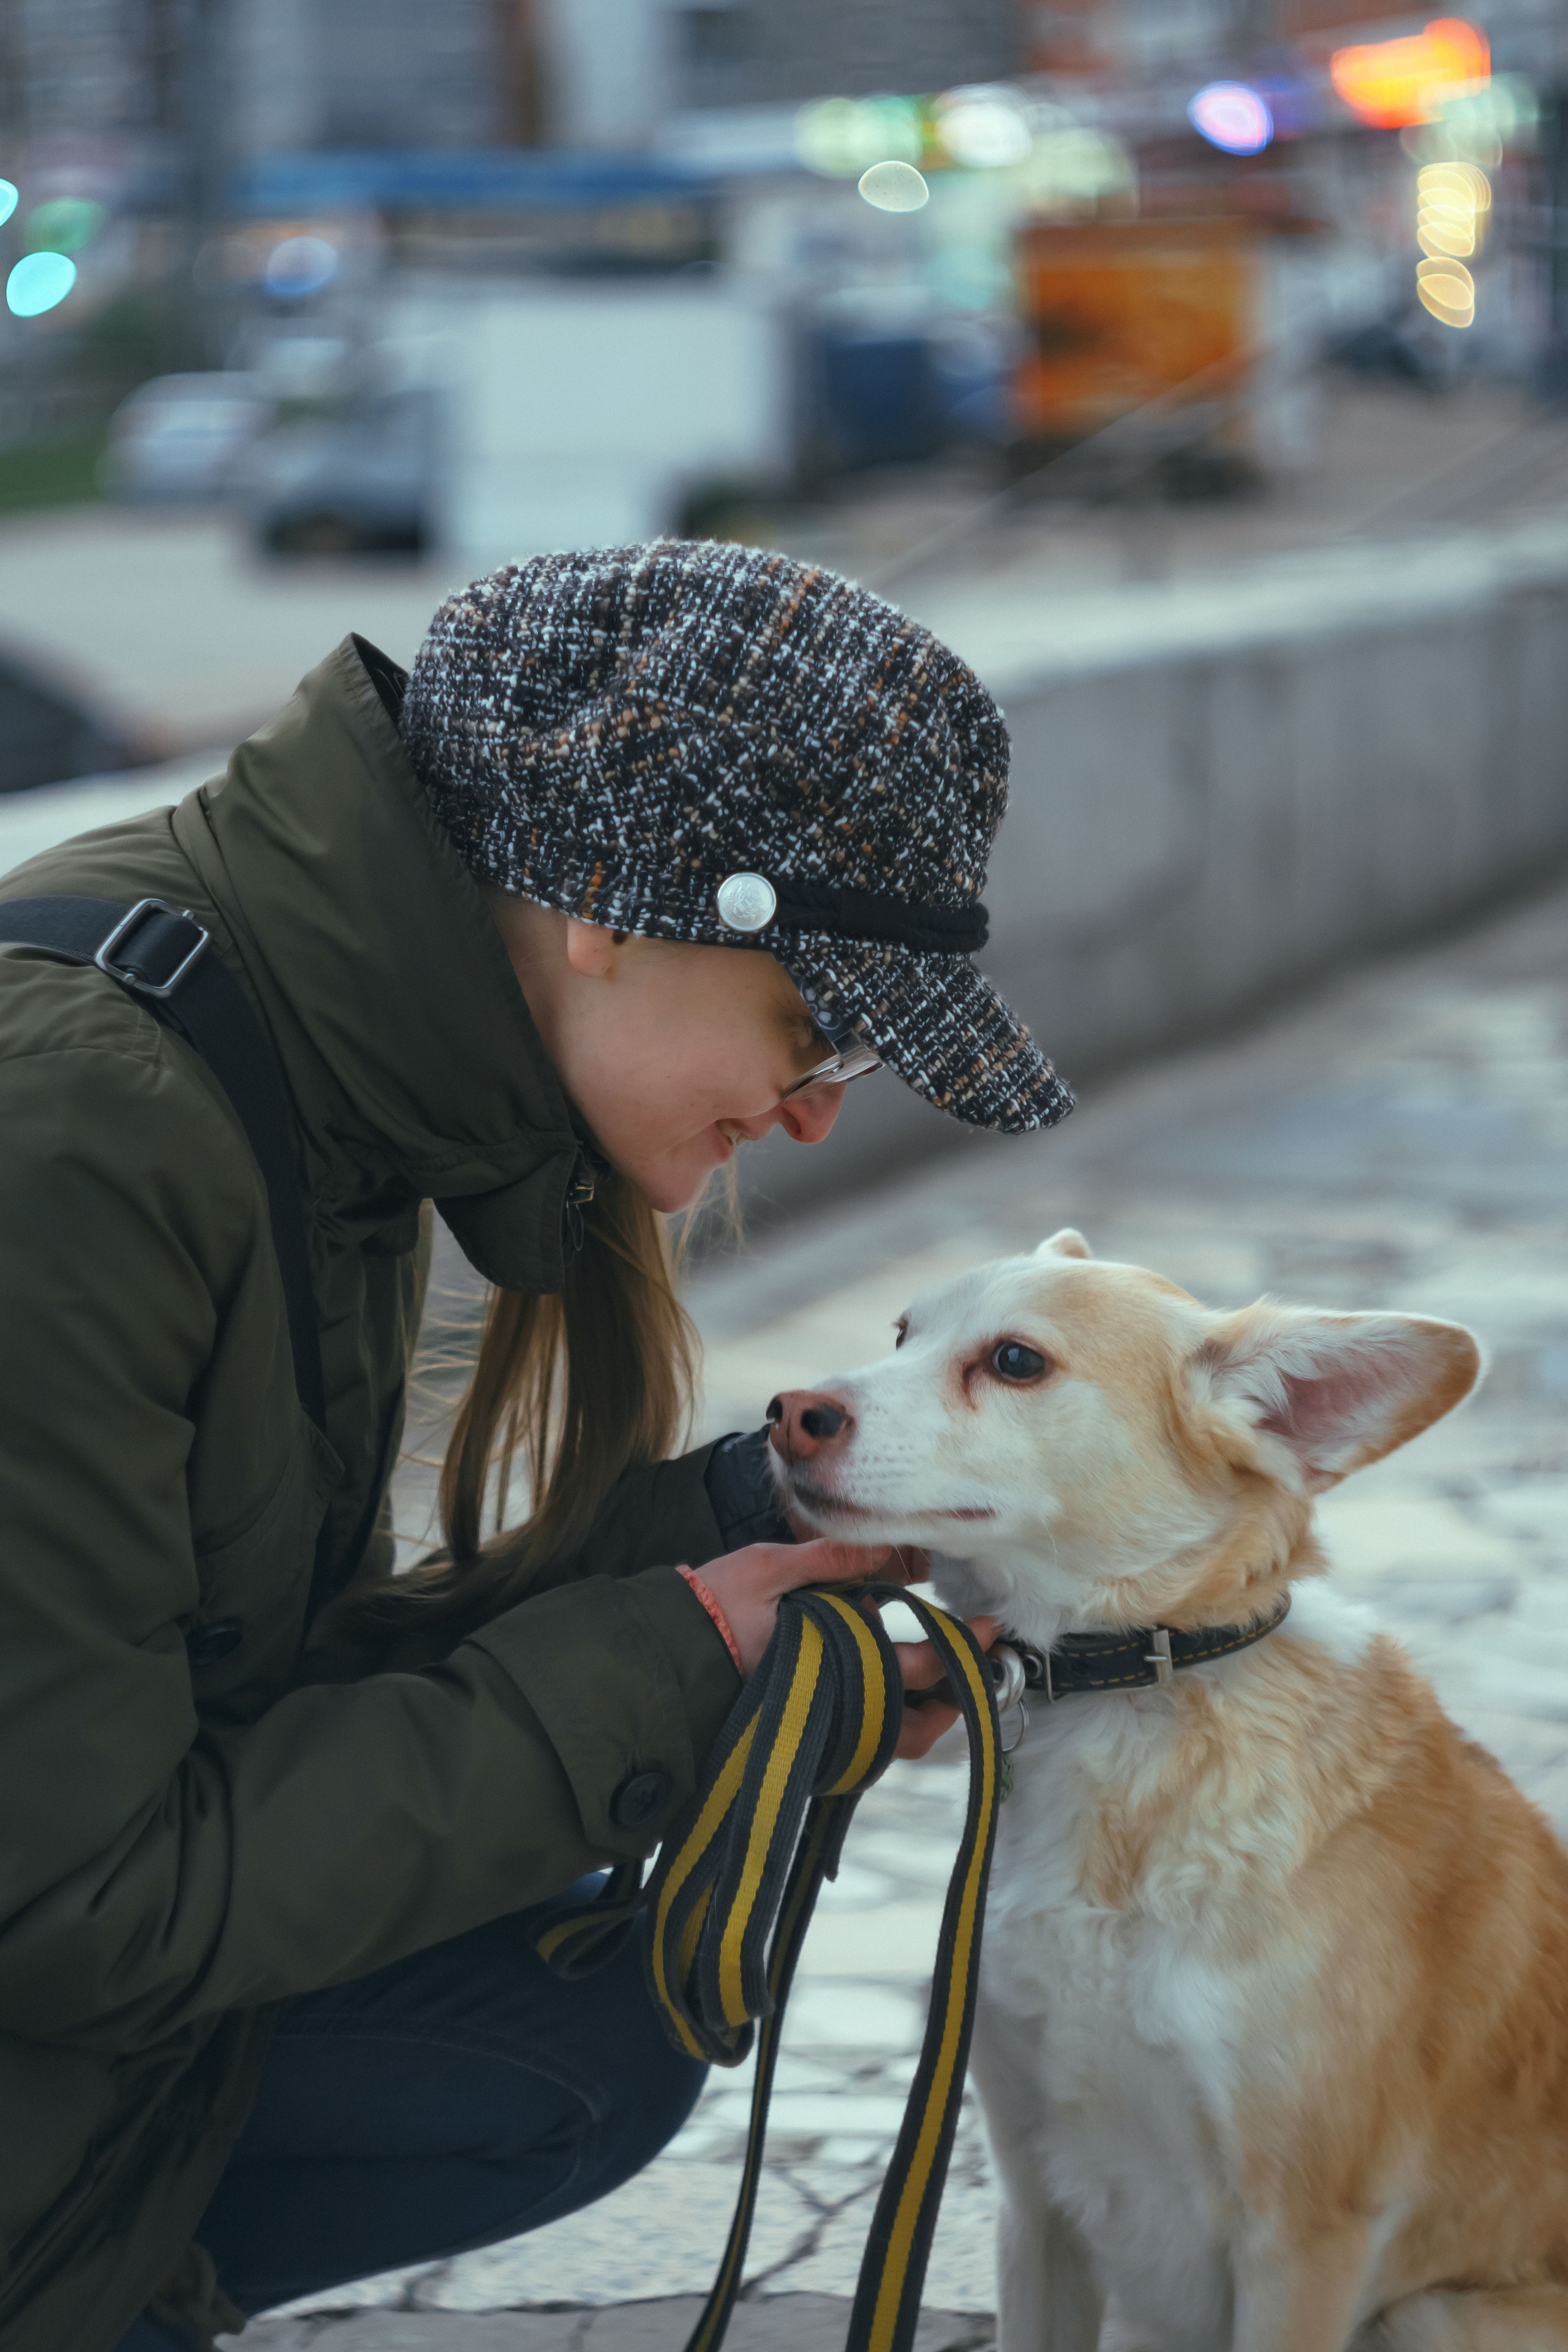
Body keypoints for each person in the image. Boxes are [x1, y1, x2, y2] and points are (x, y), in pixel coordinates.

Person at [0, 541, 1071, 2352]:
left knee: (585, 2024)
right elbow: (82, 1904)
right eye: (814, 1029)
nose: (812, 1118)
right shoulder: (86, 1132)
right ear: (615, 909)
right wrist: (665, 1662)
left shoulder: (287, 1058)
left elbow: (208, 1692)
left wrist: (725, 1562)